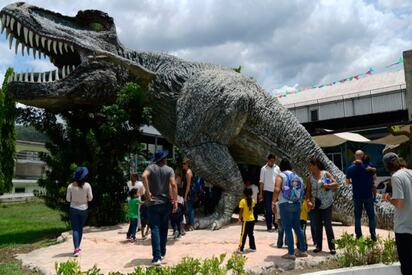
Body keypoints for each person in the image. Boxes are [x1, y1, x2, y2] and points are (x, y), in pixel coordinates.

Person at [142, 150, 178, 265]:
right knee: (164, 229)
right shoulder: (169, 170)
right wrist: (175, 200)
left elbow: (143, 176)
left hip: (153, 203)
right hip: (165, 203)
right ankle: (162, 253)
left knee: (155, 229)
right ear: (164, 159)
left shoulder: (151, 167)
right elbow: (173, 184)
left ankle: (156, 257)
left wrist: (147, 192)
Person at [382, 152, 412, 275]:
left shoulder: (396, 177)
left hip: (404, 228)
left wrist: (388, 198)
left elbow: (399, 203)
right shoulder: (410, 172)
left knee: (407, 266)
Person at [272, 159, 307, 260]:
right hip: (297, 204)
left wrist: (273, 201)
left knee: (287, 228)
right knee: (297, 228)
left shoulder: (280, 176)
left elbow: (277, 189)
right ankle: (303, 250)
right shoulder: (297, 177)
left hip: (285, 204)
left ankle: (291, 252)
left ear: (281, 167)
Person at [306, 157, 337, 255]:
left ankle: (332, 247)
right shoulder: (309, 178)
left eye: (311, 165)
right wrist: (308, 201)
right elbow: (308, 192)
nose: (309, 167)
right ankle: (318, 246)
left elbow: (336, 184)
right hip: (315, 205)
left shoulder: (325, 174)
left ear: (316, 165)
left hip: (327, 203)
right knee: (317, 226)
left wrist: (328, 186)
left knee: (328, 225)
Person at [346, 150, 377, 241]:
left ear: (355, 157)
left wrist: (354, 181)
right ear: (363, 156)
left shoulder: (351, 168)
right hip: (368, 195)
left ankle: (359, 236)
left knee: (357, 217)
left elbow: (347, 182)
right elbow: (374, 179)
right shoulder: (370, 166)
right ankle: (373, 235)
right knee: (371, 216)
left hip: (357, 195)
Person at [66, 166, 93, 257]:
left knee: (75, 229)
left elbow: (68, 199)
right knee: (80, 228)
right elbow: (90, 198)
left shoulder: (70, 186)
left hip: (73, 208)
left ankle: (76, 248)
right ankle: (77, 247)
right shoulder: (87, 185)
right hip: (84, 208)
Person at [259, 154, 281, 231]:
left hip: (276, 191)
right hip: (267, 191)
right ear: (267, 160)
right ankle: (269, 226)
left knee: (276, 208)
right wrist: (261, 193)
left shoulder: (277, 168)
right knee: (268, 209)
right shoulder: (263, 169)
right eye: (270, 161)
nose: (272, 162)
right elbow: (261, 182)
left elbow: (280, 179)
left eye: (273, 161)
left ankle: (276, 225)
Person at [237, 188, 256, 253]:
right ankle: (253, 247)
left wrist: (239, 218)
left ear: (244, 193)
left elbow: (241, 211)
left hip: (246, 221)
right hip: (252, 220)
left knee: (243, 234)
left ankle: (241, 249)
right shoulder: (253, 200)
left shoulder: (242, 201)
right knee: (251, 234)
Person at [182, 159, 195, 231]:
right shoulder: (186, 172)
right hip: (188, 192)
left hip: (189, 192)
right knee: (188, 208)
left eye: (184, 163)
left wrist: (186, 195)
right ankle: (189, 223)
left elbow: (188, 185)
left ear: (187, 164)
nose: (183, 165)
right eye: (182, 163)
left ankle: (191, 225)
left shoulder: (188, 172)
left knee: (190, 208)